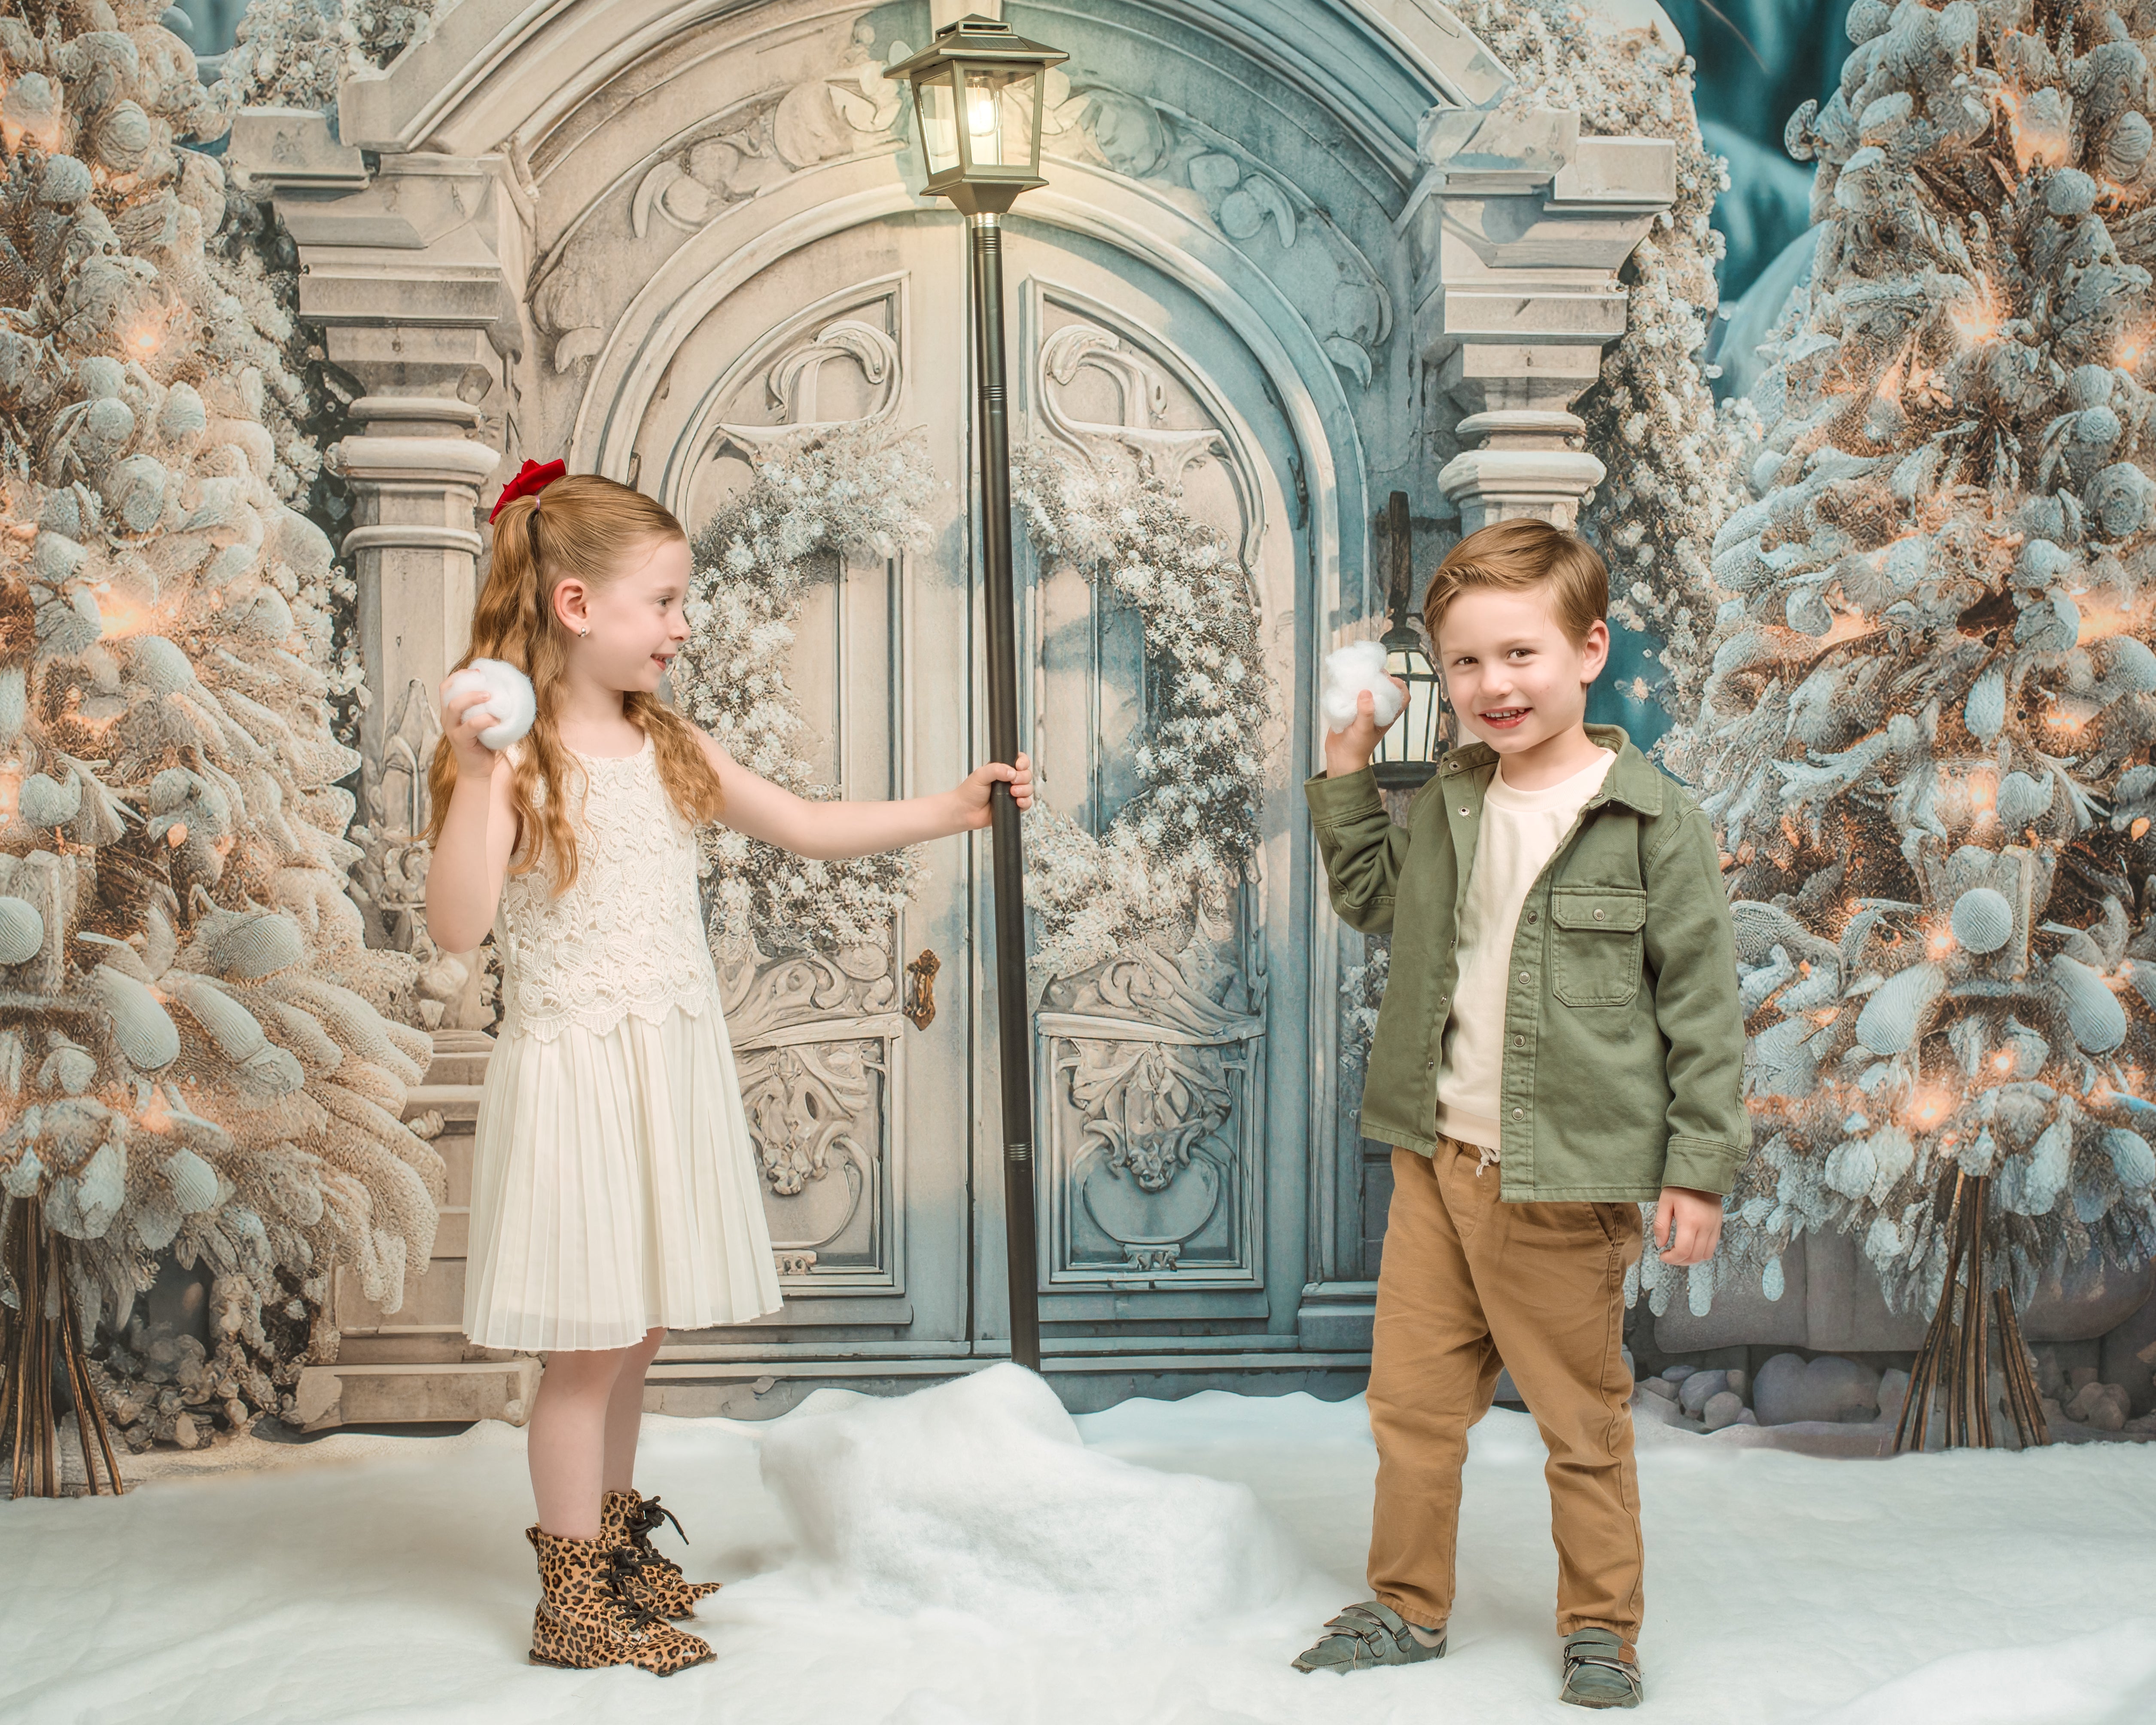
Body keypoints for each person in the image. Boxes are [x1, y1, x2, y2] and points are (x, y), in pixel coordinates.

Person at [425, 462, 1033, 1674]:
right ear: (577, 605)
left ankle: (610, 1546)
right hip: (581, 1075)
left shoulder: (668, 743)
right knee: (586, 1351)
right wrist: (481, 768)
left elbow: (804, 824)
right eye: (663, 601)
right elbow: (455, 923)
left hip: (666, 1062)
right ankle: (572, 1603)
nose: (683, 625)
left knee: (635, 1335)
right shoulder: (520, 757)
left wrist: (951, 811)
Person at [1294, 518, 1749, 1709]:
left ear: (1587, 650)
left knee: (1579, 1418)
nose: (1492, 686)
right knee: (1410, 1406)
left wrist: (1694, 1170)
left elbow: (1701, 1011)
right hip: (1435, 1161)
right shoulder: (1451, 801)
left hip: (1567, 1177)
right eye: (1464, 664)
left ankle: (1601, 1627)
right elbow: (1367, 898)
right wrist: (1348, 755)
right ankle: (1404, 1605)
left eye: (1518, 655)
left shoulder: (1654, 821)